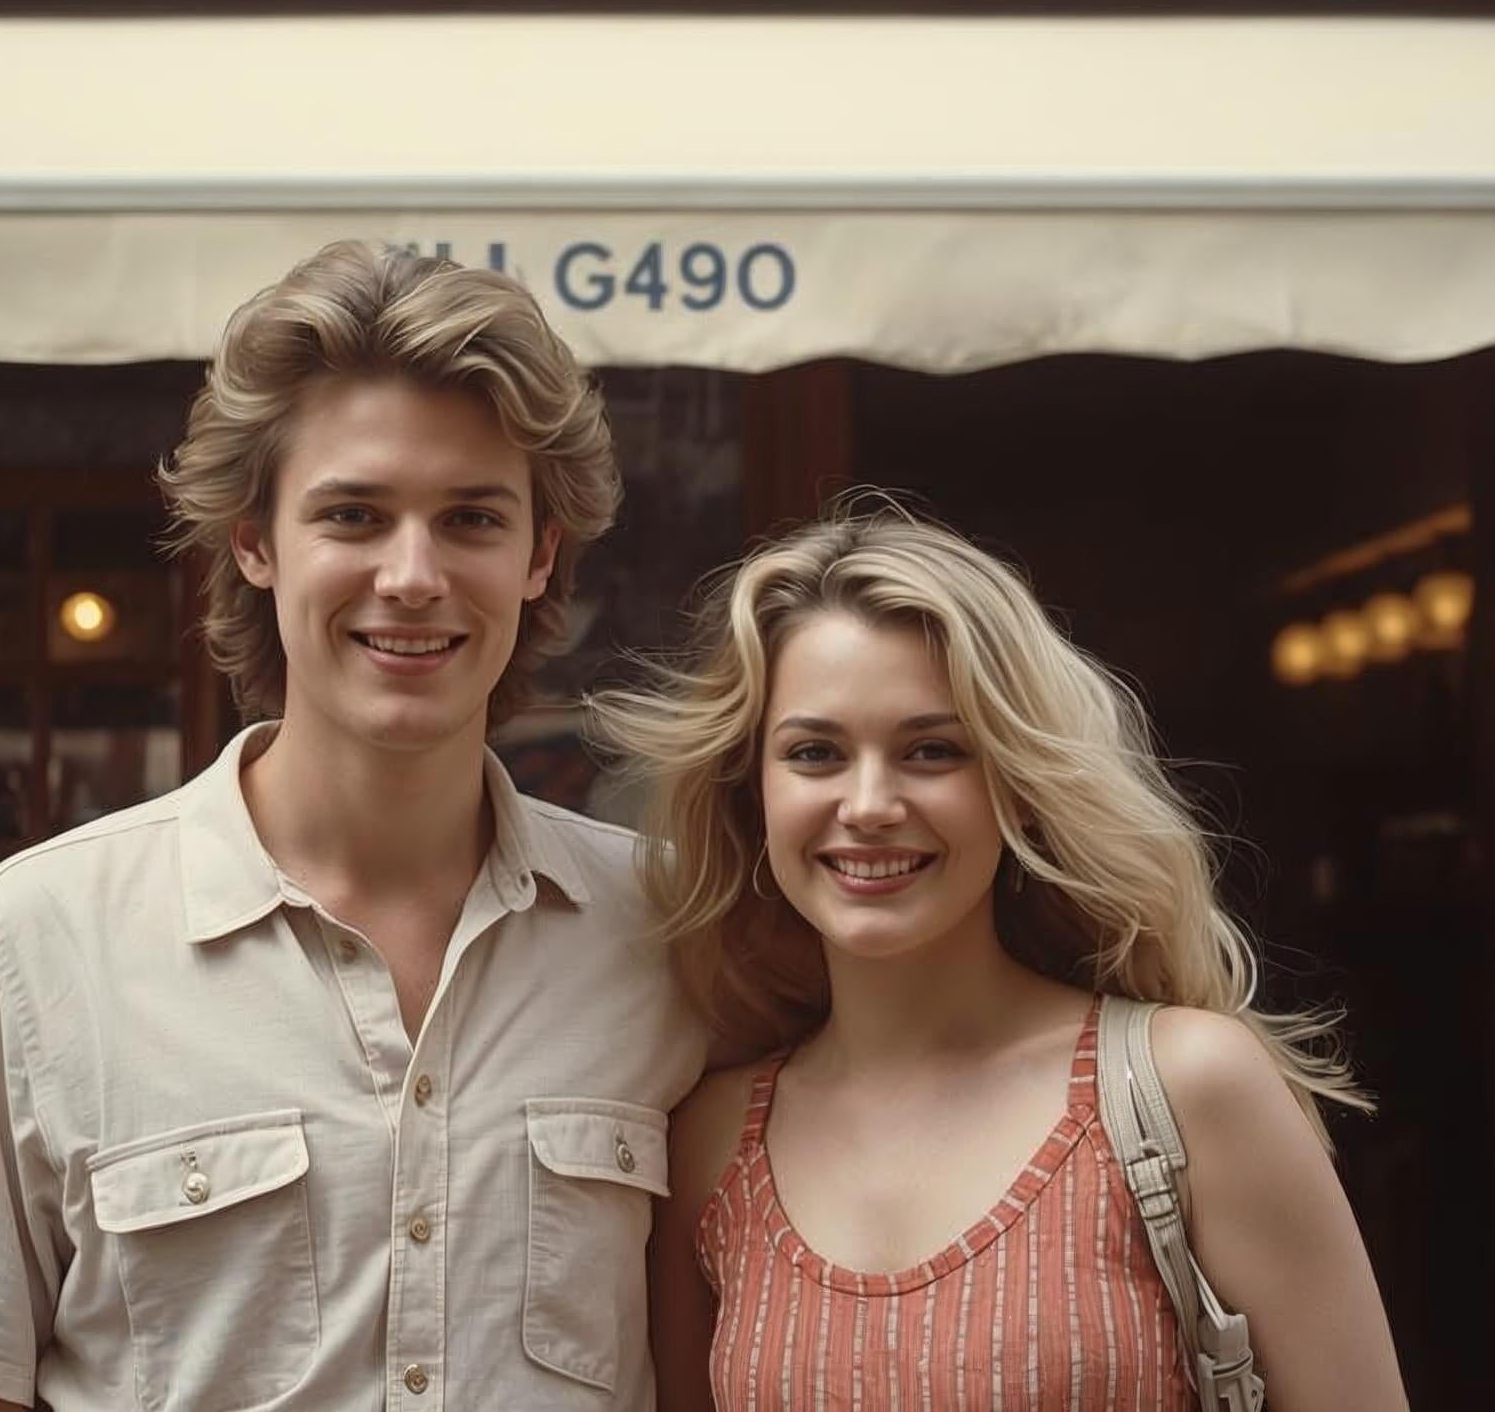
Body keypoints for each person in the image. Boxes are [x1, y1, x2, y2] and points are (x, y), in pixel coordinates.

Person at [0, 242, 707, 1410]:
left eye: (470, 519)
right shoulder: (45, 935)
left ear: (540, 556)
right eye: (352, 513)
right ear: (253, 540)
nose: (410, 574)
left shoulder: (668, 927)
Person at [595, 506, 1407, 1411]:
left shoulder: (1185, 1092)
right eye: (815, 753)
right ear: (755, 798)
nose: (868, 803)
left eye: (932, 751)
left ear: (1016, 792)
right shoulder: (710, 1143)